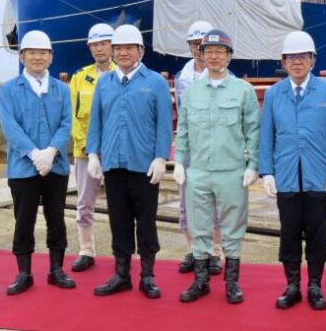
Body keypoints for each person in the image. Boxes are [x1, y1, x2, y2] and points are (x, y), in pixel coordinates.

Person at [259, 30, 326, 311]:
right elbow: (266, 136)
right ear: (283, 62)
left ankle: (315, 285)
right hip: (286, 176)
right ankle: (293, 284)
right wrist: (267, 172)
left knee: (317, 233)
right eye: (291, 57)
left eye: (303, 57)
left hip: (317, 177)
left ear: (313, 60)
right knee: (289, 233)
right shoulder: (274, 94)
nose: (297, 62)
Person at [173, 29, 260, 304]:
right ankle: (201, 281)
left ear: (229, 56)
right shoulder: (192, 92)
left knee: (233, 228)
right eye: (208, 51)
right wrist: (179, 161)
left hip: (232, 172)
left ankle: (232, 283)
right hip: (198, 171)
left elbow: (253, 132)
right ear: (201, 55)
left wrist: (253, 165)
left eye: (219, 51)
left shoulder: (243, 91)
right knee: (199, 227)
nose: (213, 56)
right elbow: (183, 130)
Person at [86, 24, 172, 299]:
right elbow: (96, 121)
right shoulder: (104, 83)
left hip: (144, 165)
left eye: (129, 48)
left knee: (146, 222)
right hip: (113, 164)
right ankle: (121, 274)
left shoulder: (156, 83)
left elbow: (164, 124)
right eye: (118, 48)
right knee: (118, 220)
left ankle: (147, 275)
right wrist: (93, 154)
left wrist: (161, 158)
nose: (123, 53)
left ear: (141, 51)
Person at [0, 30, 75, 295]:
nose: (38, 57)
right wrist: (34, 154)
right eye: (32, 52)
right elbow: (10, 126)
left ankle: (56, 269)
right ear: (22, 57)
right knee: (24, 220)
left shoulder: (62, 90)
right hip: (23, 167)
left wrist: (51, 152)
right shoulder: (8, 90)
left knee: (57, 218)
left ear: (51, 57)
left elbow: (66, 123)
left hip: (56, 165)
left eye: (43, 53)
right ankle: (24, 273)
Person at [174, 21, 223, 276]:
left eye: (201, 44)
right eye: (193, 44)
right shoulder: (181, 76)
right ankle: (194, 249)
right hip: (189, 149)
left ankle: (215, 251)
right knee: (186, 202)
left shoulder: (225, 77)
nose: (197, 48)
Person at [68, 23, 116, 272]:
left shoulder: (123, 74)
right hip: (86, 151)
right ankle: (86, 250)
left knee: (121, 205)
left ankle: (123, 252)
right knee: (85, 203)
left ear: (113, 46)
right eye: (95, 44)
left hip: (117, 151)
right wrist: (88, 146)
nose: (99, 48)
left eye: (104, 43)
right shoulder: (79, 77)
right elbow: (72, 116)